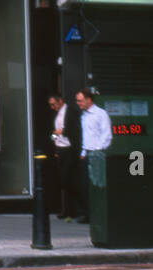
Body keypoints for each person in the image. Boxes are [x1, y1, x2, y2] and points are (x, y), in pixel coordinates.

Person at [74, 87, 110, 223]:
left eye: (80, 101)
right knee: (84, 185)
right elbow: (85, 136)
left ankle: (97, 215)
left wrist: (96, 150)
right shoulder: (83, 115)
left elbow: (106, 136)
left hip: (97, 154)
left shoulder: (101, 114)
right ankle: (87, 213)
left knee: (96, 185)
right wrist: (83, 152)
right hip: (86, 153)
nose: (78, 103)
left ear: (89, 100)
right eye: (77, 101)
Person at [47, 92, 82, 222]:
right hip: (60, 150)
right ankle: (68, 210)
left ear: (60, 101)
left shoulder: (71, 112)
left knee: (68, 180)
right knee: (63, 181)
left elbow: (75, 130)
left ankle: (79, 209)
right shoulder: (56, 115)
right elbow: (54, 132)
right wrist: (55, 146)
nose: (52, 107)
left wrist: (62, 132)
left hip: (70, 150)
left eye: (53, 104)